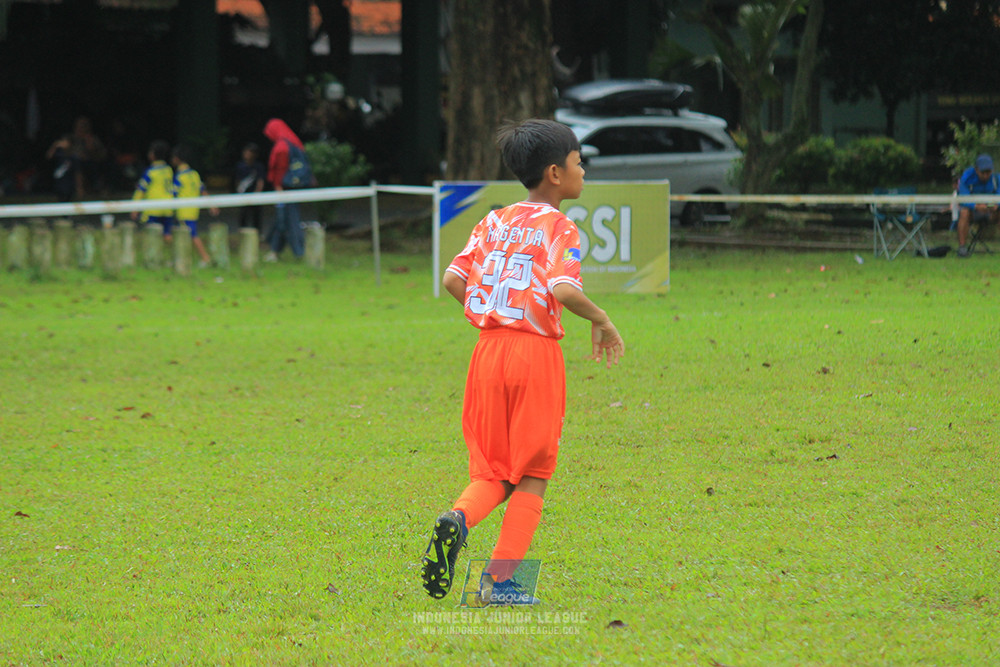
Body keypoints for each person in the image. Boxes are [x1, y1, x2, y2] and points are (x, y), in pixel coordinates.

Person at [420, 119, 625, 606]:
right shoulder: (561, 226)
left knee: (492, 471)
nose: (583, 171)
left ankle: (459, 519)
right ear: (555, 173)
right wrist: (603, 320)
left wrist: (487, 312)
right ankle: (498, 583)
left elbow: (453, 279)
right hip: (534, 356)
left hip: (487, 351)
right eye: (578, 163)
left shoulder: (494, 219)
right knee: (533, 472)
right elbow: (563, 289)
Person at [262, 118, 310, 262]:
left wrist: (278, 189)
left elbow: (280, 170)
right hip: (292, 188)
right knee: (281, 220)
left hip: (284, 190)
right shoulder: (293, 142)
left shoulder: (282, 146)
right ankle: (275, 251)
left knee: (289, 220)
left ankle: (299, 252)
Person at [171, 144, 217, 268]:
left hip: (183, 210)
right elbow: (203, 189)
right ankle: (181, 258)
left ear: (176, 159)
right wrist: (211, 205)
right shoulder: (194, 174)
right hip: (193, 209)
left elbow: (173, 193)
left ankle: (205, 257)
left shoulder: (179, 176)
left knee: (192, 235)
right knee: (186, 235)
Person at [955, 153, 1000, 257]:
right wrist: (976, 206)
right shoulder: (967, 178)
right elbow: (963, 199)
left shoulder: (996, 179)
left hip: (991, 212)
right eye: (982, 172)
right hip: (973, 212)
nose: (985, 175)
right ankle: (962, 248)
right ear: (976, 170)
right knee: (964, 212)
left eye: (988, 172)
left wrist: (996, 205)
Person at [130, 140, 174, 232]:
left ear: (152, 155)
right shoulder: (169, 170)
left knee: (150, 234)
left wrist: (135, 208)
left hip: (153, 209)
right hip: (168, 207)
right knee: (167, 234)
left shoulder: (150, 172)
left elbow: (141, 190)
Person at [234, 142, 266, 231]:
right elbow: (238, 180)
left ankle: (258, 233)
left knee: (256, 215)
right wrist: (238, 192)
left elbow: (260, 181)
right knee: (243, 214)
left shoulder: (258, 166)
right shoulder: (240, 166)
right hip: (244, 193)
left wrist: (257, 193)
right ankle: (242, 232)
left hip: (254, 194)